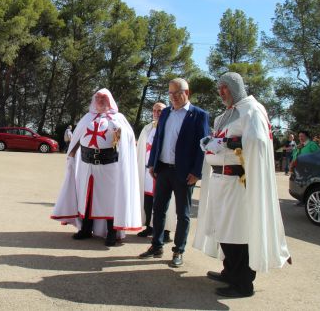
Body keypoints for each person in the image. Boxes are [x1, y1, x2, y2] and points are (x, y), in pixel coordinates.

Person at [194, 72, 291, 298]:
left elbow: (256, 141)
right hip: (220, 181)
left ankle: (243, 283)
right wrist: (211, 142)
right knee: (223, 230)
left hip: (237, 183)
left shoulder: (252, 111)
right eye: (219, 88)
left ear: (236, 87)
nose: (221, 92)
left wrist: (225, 143)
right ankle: (230, 271)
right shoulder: (227, 115)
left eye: (225, 87)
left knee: (236, 233)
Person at [51, 89, 142, 246]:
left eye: (104, 98)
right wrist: (71, 154)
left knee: (110, 200)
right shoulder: (87, 118)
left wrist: (120, 133)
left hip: (109, 166)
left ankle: (111, 233)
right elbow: (78, 138)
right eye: (98, 98)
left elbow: (128, 139)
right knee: (86, 197)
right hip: (87, 165)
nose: (100, 101)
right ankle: (86, 229)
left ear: (110, 100)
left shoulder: (118, 119)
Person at [139, 78, 209, 268]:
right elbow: (158, 140)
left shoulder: (199, 115)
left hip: (184, 173)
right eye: (171, 93)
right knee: (158, 210)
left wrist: (197, 172)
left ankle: (178, 250)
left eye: (178, 93)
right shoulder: (166, 113)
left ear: (188, 93)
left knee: (183, 214)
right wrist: (152, 164)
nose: (174, 97)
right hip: (162, 169)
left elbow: (203, 147)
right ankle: (156, 246)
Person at [136, 102, 173, 243]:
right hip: (147, 171)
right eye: (155, 110)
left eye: (160, 111)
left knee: (165, 201)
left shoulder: (169, 126)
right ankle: (149, 227)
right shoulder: (147, 127)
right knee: (148, 200)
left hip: (163, 170)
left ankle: (166, 230)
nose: (157, 113)